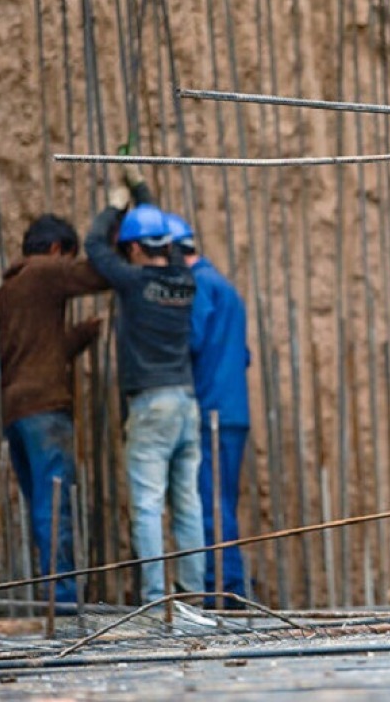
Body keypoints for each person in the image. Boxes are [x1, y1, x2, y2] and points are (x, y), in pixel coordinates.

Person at [84, 162, 205, 604]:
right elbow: (164, 241)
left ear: (133, 248)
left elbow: (95, 246)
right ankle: (191, 593)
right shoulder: (184, 280)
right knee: (187, 502)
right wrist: (141, 190)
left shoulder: (134, 283)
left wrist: (116, 205)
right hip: (185, 402)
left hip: (151, 405)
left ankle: (156, 597)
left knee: (149, 504)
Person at [0, 214, 108, 603]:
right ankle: (60, 598)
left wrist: (83, 334)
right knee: (55, 504)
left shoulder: (9, 287)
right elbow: (98, 276)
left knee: (41, 504)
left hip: (15, 410)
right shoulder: (45, 272)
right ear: (58, 250)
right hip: (45, 409)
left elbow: (42, 350)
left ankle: (54, 593)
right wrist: (107, 229)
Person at [164, 213, 251, 603]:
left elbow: (191, 340)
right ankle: (226, 589)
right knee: (222, 501)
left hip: (211, 411)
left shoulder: (197, 285)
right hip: (233, 410)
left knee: (211, 506)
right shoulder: (226, 287)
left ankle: (225, 593)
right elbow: (243, 355)